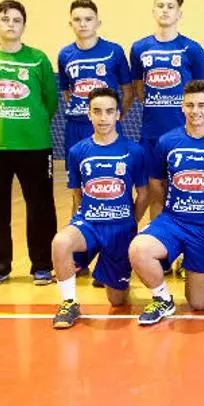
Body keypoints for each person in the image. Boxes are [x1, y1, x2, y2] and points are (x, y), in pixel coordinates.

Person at [128, 81, 204, 326]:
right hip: (174, 222)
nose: (195, 111)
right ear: (182, 107)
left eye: (201, 105)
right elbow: (156, 183)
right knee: (139, 249)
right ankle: (163, 299)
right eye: (190, 105)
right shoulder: (167, 142)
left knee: (200, 303)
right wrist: (173, 209)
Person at [0, 0, 59, 287]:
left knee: (40, 207)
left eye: (16, 20)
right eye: (5, 19)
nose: (10, 24)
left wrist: (31, 122)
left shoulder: (38, 59)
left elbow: (50, 100)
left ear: (24, 25)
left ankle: (42, 265)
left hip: (35, 146)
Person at [51, 88, 148, 329]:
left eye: (109, 111)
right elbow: (77, 193)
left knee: (117, 300)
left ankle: (109, 273)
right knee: (60, 242)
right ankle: (69, 303)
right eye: (97, 111)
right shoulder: (77, 152)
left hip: (120, 229)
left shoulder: (134, 151)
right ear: (89, 114)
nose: (103, 118)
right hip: (89, 225)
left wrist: (130, 222)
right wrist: (80, 219)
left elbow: (144, 194)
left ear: (118, 115)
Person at [57, 0, 133, 278]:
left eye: (88, 19)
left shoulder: (114, 51)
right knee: (80, 189)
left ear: (98, 22)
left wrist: (113, 119)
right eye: (77, 19)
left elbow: (128, 90)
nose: (83, 24)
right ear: (70, 23)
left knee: (116, 186)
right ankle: (80, 257)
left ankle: (115, 252)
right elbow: (68, 92)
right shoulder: (65, 54)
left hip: (109, 129)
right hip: (77, 129)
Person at [129, 0, 204, 221]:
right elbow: (139, 89)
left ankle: (184, 241)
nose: (165, 10)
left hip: (184, 134)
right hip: (151, 134)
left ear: (179, 14)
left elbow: (201, 92)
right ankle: (157, 241)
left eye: (170, 6)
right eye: (160, 5)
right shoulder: (139, 48)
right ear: (153, 10)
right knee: (155, 194)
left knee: (185, 193)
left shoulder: (192, 49)